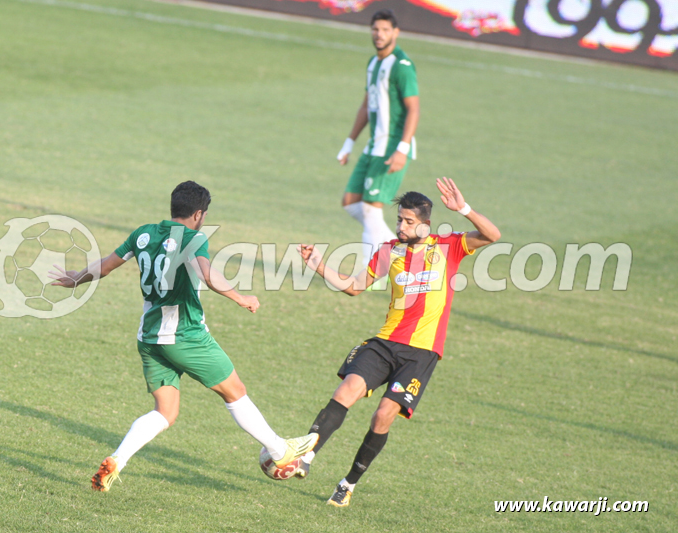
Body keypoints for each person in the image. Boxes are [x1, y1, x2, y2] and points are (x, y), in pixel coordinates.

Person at [50, 181, 318, 492]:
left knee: (165, 412)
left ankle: (117, 460)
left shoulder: (143, 233)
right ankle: (279, 450)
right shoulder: (194, 237)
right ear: (199, 214)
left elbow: (105, 267)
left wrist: (74, 279)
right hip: (185, 335)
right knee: (235, 392)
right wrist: (240, 297)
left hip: (150, 338)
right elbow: (206, 273)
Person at [295, 178, 500, 507]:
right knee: (346, 390)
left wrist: (463, 209)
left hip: (421, 353)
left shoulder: (449, 246)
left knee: (382, 417)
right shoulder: (390, 251)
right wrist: (317, 265)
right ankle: (304, 458)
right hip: (386, 342)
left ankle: (348, 484)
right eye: (399, 220)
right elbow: (353, 287)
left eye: (408, 221)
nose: (401, 226)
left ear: (425, 224)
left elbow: (493, 236)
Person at [337, 9, 420, 266]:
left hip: (393, 146)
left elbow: (413, 109)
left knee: (372, 209)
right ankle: (402, 254)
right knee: (351, 202)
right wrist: (349, 142)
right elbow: (366, 106)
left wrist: (402, 148)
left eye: (385, 30)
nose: (379, 34)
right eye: (375, 29)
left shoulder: (401, 66)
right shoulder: (373, 63)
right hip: (374, 146)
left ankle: (371, 271)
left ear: (395, 32)